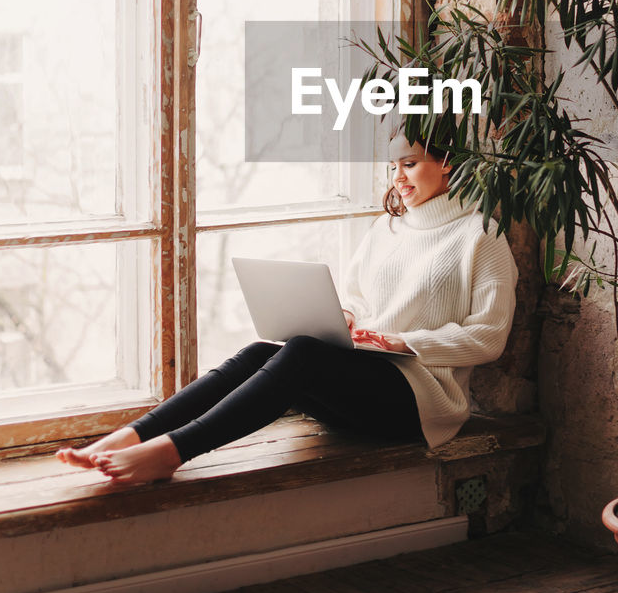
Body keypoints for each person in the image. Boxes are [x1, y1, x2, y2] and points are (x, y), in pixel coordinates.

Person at [57, 127, 518, 484]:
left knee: (302, 354)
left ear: (447, 165)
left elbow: (488, 337)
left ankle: (171, 452)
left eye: (410, 163)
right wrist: (347, 318)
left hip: (421, 405)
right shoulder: (388, 229)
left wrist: (400, 341)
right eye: (392, 165)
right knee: (262, 351)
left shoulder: (481, 236)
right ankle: (133, 435)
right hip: (364, 381)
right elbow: (358, 297)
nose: (397, 177)